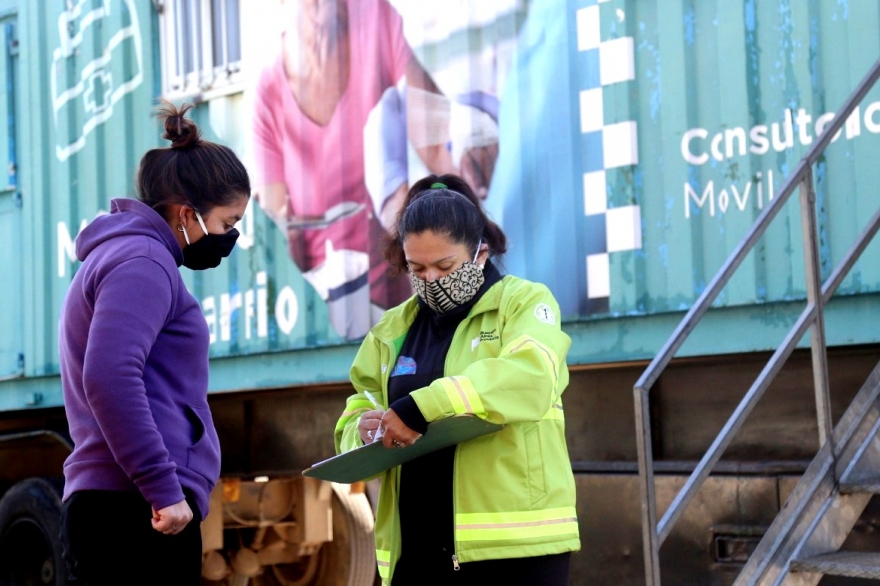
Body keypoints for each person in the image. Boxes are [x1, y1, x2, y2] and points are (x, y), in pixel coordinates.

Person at [334, 174, 580, 585]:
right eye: (417, 268)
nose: (431, 278)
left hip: (514, 551)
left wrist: (421, 407)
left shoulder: (524, 303)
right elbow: (358, 404)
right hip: (416, 553)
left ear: (480, 253)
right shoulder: (391, 329)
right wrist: (361, 431)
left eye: (445, 265)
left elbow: (530, 376)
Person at [57, 102, 251, 585]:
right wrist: (164, 489)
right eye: (228, 223)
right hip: (135, 511)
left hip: (126, 504)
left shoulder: (130, 255)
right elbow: (109, 376)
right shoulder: (143, 262)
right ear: (188, 214)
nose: (231, 237)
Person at [251, 0, 499, 340]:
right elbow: (274, 226)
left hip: (406, 281)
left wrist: (469, 174)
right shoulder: (268, 92)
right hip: (330, 302)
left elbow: (433, 133)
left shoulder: (373, 15)